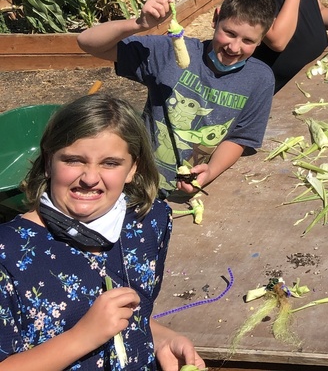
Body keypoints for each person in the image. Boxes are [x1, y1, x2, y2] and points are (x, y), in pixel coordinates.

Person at [0, 93, 205, 371]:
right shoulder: (8, 254)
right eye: (73, 160)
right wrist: (82, 337)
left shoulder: (148, 222)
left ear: (133, 168)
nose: (89, 178)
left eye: (110, 163)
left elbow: (133, 316)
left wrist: (162, 339)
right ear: (48, 162)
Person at [77, 0, 276, 193]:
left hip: (192, 191)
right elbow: (87, 42)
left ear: (262, 38)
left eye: (248, 41)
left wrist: (209, 171)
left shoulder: (260, 79)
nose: (234, 47)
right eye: (229, 33)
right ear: (216, 19)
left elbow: (240, 138)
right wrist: (138, 24)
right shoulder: (168, 52)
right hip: (139, 183)